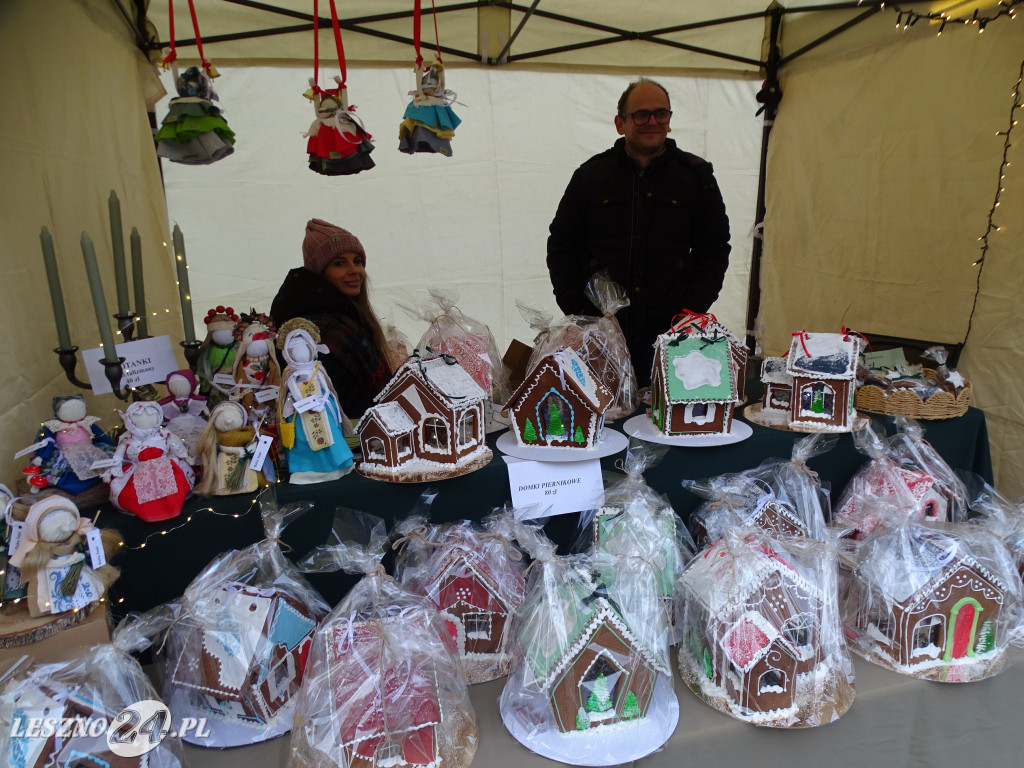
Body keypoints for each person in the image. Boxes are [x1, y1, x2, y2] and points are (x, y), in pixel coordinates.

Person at [546, 78, 732, 385]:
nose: (652, 122)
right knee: (601, 418)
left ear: (669, 121)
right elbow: (562, 244)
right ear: (621, 123)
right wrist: (579, 311)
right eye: (641, 114)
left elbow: (714, 247)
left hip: (669, 335)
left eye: (661, 114)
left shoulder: (696, 177)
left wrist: (691, 308)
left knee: (659, 421)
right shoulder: (591, 176)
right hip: (599, 335)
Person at [270, 219, 392, 418]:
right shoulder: (321, 328)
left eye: (357, 261)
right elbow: (347, 402)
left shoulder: (343, 314)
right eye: (339, 263)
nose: (354, 270)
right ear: (320, 273)